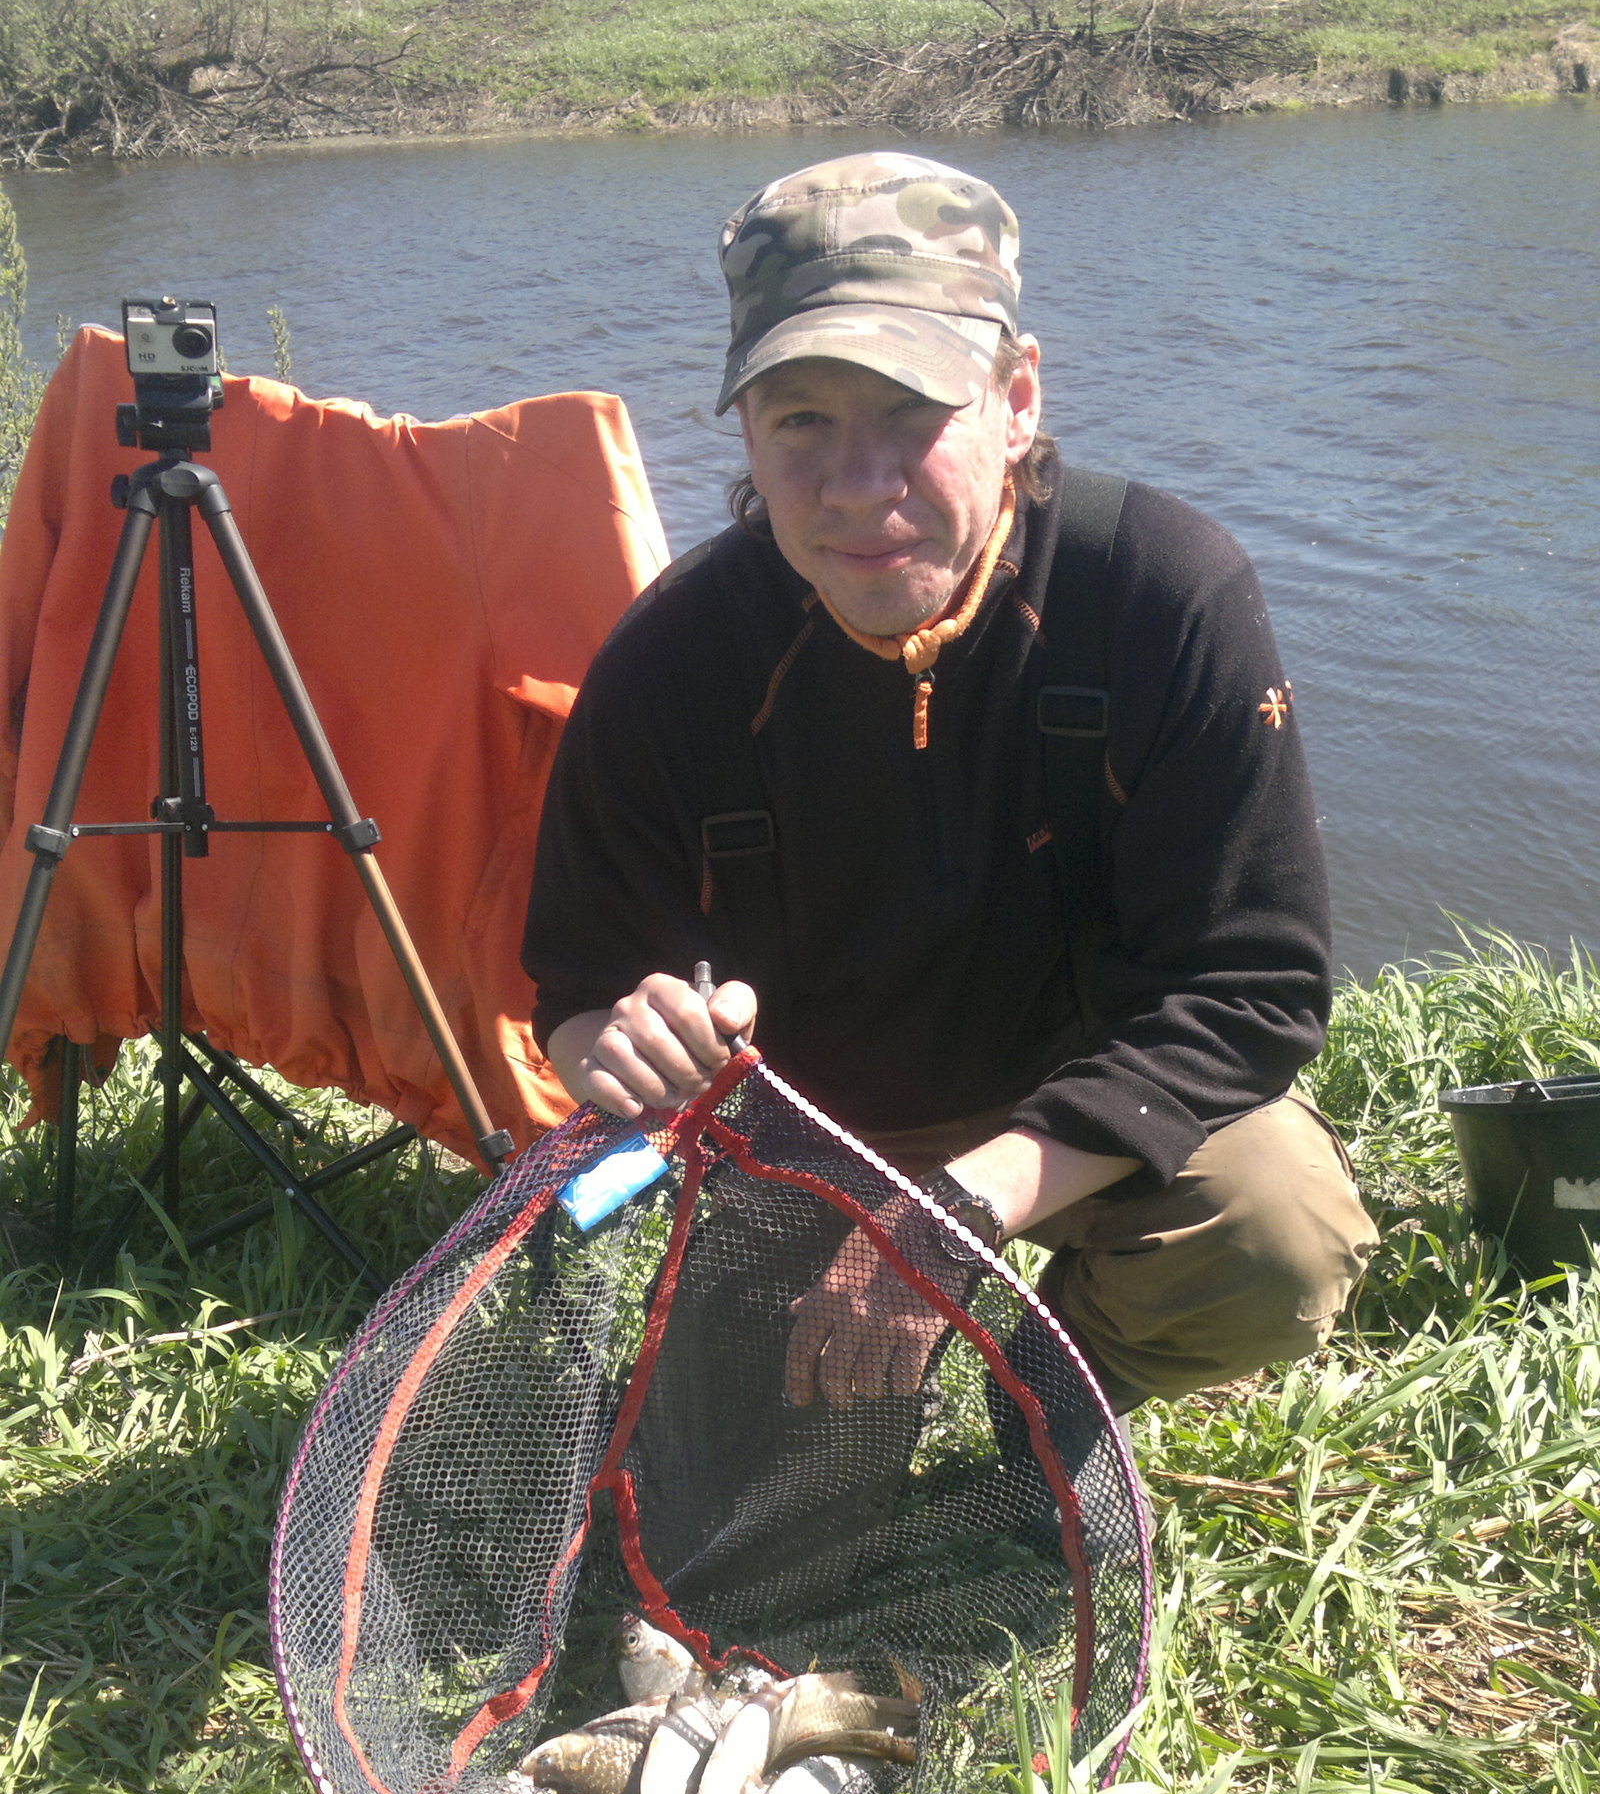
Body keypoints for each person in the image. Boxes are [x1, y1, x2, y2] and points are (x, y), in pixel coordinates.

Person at [522, 151, 1376, 1428]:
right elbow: (574, 992)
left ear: (1016, 398)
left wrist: (951, 1218)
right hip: (811, 1146)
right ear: (745, 427)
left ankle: (1049, 1402)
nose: (857, 489)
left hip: (1078, 1115)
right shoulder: (673, 658)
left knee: (1273, 1232)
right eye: (800, 420)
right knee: (764, 1471)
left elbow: (1251, 990)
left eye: (911, 415)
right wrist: (624, 1043)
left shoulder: (1160, 593)